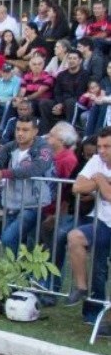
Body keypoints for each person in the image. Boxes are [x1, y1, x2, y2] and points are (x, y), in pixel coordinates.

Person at [65, 127, 111, 335]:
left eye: (107, 146)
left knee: (101, 269)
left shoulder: (99, 168)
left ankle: (103, 317)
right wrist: (100, 180)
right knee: (75, 237)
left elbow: (109, 196)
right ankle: (82, 288)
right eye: (100, 146)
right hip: (102, 221)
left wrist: (100, 181)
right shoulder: (97, 161)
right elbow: (77, 187)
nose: (101, 151)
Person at [0, 118, 53, 254]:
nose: (20, 133)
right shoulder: (11, 146)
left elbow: (36, 168)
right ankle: (18, 274)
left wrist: (2, 173)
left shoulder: (44, 148)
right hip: (11, 204)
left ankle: (18, 273)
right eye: (18, 129)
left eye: (25, 130)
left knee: (9, 239)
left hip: (34, 205)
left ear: (35, 132)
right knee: (16, 245)